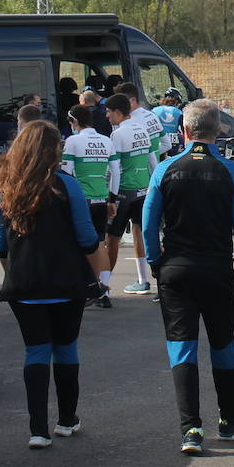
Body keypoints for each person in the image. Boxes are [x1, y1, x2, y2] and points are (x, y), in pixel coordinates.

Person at [143, 99, 234, 456]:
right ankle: (228, 419)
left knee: (182, 346)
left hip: (176, 268)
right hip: (216, 268)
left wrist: (155, 262)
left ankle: (190, 428)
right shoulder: (233, 172)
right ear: (219, 131)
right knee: (223, 343)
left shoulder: (164, 169)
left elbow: (148, 224)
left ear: (185, 131)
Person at [0, 120, 100, 448]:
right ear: (54, 151)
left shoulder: (6, 188)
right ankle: (67, 420)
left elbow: (0, 242)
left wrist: (13, 270)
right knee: (66, 348)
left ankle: (37, 428)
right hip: (66, 282)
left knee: (35, 351)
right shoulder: (67, 185)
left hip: (24, 285)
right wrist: (98, 278)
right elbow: (87, 238)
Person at [62, 104, 120, 308]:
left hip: (82, 201)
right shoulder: (106, 140)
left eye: (70, 122)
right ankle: (103, 290)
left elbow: (67, 173)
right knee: (101, 243)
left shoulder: (72, 141)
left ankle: (85, 287)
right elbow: (115, 171)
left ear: (75, 121)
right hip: (102, 199)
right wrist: (112, 199)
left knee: (79, 245)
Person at [105, 94, 159, 295]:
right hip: (144, 190)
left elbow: (116, 171)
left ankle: (104, 288)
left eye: (109, 112)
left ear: (118, 112)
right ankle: (146, 281)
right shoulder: (141, 128)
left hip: (124, 193)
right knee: (141, 233)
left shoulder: (117, 135)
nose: (107, 116)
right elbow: (153, 161)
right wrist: (154, 187)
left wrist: (111, 197)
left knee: (112, 239)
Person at [118, 81, 167, 158]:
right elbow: (167, 145)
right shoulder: (152, 115)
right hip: (154, 167)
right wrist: (155, 155)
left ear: (133, 100)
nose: (120, 105)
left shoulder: (130, 122)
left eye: (122, 102)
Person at [153, 88, 185, 157]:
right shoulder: (178, 112)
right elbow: (183, 130)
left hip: (158, 144)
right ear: (176, 101)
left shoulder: (154, 110)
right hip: (172, 146)